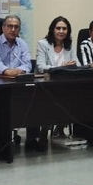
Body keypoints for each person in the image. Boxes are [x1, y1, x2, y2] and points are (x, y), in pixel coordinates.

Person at [26, 16, 79, 151]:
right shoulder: (43, 44)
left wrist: (71, 66)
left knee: (74, 98)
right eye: (58, 28)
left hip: (64, 85)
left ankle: (59, 128)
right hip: (45, 86)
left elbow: (77, 65)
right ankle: (43, 133)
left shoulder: (68, 45)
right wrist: (61, 67)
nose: (61, 31)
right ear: (52, 30)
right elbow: (41, 66)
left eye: (64, 29)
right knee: (47, 102)